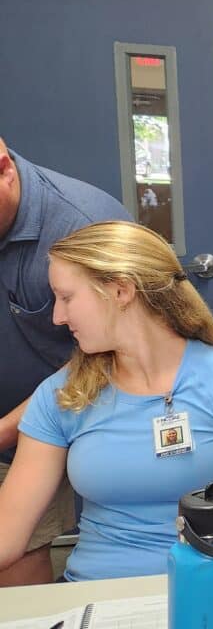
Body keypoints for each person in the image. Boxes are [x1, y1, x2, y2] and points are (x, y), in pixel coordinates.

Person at [0, 221, 213, 582]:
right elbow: (7, 535)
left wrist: (203, 586)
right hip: (94, 589)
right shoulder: (62, 394)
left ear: (120, 291)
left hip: (206, 588)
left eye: (67, 297)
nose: (57, 317)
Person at [0, 138, 130, 585]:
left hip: (36, 426)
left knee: (20, 561)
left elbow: (110, 354)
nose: (59, 313)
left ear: (4, 170)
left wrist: (4, 431)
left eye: (66, 301)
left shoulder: (81, 224)